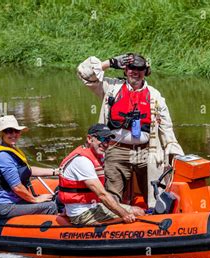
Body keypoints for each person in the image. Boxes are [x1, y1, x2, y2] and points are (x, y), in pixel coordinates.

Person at [77, 53, 184, 208]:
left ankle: (154, 220)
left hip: (147, 152)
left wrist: (174, 153)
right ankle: (115, 220)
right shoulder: (111, 88)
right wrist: (110, 63)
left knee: (154, 194)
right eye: (131, 68)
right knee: (113, 194)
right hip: (116, 150)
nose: (135, 72)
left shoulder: (154, 96)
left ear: (146, 71)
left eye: (140, 68)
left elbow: (166, 127)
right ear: (125, 70)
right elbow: (84, 74)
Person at [58, 123, 145, 225]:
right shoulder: (82, 161)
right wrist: (124, 214)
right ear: (90, 139)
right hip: (82, 214)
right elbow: (102, 194)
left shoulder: (95, 156)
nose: (105, 144)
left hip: (92, 206)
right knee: (138, 213)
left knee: (138, 211)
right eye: (102, 139)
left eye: (108, 140)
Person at [0, 115, 58, 218]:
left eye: (16, 131)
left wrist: (55, 171)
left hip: (16, 201)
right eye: (9, 131)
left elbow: (27, 170)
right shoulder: (2, 156)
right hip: (4, 206)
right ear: (1, 134)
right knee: (50, 206)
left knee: (54, 199)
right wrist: (35, 199)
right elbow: (17, 187)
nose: (14, 134)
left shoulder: (12, 150)